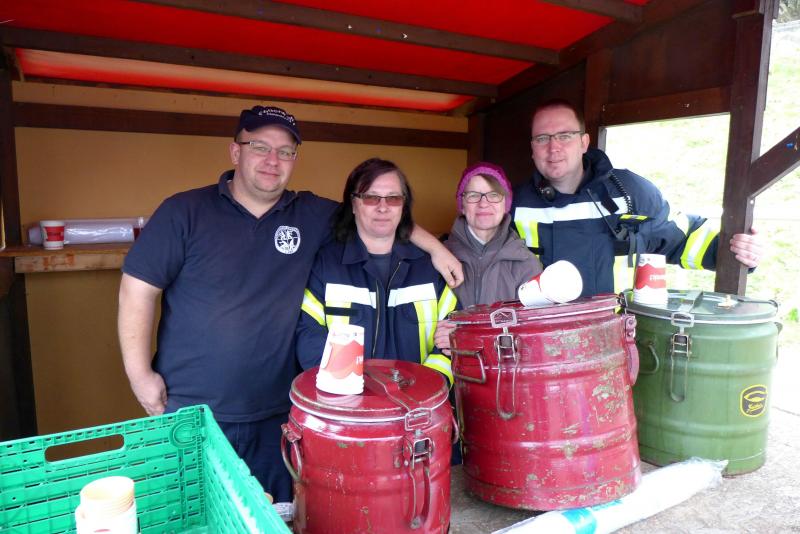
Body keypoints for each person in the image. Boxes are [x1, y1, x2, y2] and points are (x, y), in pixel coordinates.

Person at [117, 106, 463, 502]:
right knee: (195, 514)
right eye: (260, 147)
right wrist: (139, 375)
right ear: (235, 151)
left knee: (277, 515)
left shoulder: (311, 214)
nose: (273, 160)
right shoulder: (184, 211)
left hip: (279, 412)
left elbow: (376, 214)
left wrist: (435, 247)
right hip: (193, 407)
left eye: (285, 151)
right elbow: (136, 290)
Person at [512, 99, 763, 297]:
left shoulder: (628, 192)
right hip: (541, 338)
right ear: (532, 148)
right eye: (542, 138)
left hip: (617, 335)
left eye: (565, 135)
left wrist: (734, 249)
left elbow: (679, 237)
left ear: (584, 142)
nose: (553, 147)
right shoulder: (514, 205)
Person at [296, 158, 457, 384]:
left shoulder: (430, 267)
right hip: (347, 400)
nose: (383, 207)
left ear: (404, 206)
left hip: (420, 401)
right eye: (371, 197)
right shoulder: (326, 264)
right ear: (353, 204)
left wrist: (423, 389)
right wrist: (349, 389)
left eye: (393, 198)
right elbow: (309, 335)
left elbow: (453, 339)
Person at [443, 162, 543, 308]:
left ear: (505, 205)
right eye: (473, 195)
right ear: (462, 205)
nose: (483, 204)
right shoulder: (441, 258)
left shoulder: (526, 263)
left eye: (494, 195)